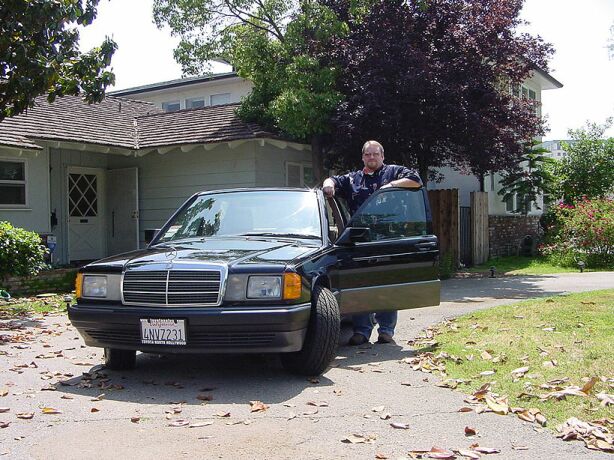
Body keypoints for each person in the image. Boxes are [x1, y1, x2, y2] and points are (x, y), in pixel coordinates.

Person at [322, 140, 422, 345]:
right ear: (363, 157)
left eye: (375, 154)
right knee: (360, 285)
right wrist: (328, 184)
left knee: (386, 286)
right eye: (368, 154)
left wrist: (390, 186)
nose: (372, 158)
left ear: (382, 156)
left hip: (388, 240)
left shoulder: (394, 172)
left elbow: (416, 180)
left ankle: (386, 331)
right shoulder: (352, 179)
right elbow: (332, 181)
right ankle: (362, 331)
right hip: (359, 242)